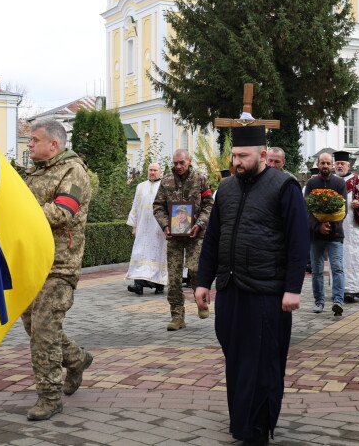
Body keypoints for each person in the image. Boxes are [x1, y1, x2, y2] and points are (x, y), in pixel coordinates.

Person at [195, 125, 309, 446]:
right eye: (234, 155)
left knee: (262, 360)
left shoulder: (284, 186)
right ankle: (241, 422)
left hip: (267, 292)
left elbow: (298, 240)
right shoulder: (227, 189)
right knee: (237, 357)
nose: (237, 161)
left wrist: (292, 288)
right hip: (231, 289)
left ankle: (259, 428)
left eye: (243, 156)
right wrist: (204, 282)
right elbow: (213, 239)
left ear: (262, 155)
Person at [22, 120, 94, 421]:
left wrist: (20, 217)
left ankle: (49, 397)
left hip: (60, 266)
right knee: (33, 326)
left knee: (43, 331)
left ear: (54, 144)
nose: (29, 145)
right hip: (31, 263)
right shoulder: (34, 173)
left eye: (34, 140)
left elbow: (63, 211)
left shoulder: (73, 171)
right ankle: (77, 359)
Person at [153, 149, 214, 331]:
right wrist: (165, 225)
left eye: (182, 163)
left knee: (195, 269)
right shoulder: (166, 181)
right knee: (174, 278)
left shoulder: (200, 179)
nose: (178, 166)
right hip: (174, 236)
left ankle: (199, 298)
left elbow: (209, 204)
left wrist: (200, 224)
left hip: (196, 234)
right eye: (175, 163)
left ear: (189, 161)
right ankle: (177, 316)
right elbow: (158, 206)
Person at [304, 153, 348, 316]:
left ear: (332, 165)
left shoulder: (339, 183)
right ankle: (319, 301)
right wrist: (318, 226)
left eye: (328, 163)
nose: (325, 165)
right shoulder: (311, 183)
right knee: (316, 270)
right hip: (316, 236)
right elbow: (307, 209)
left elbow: (344, 210)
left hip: (335, 234)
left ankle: (338, 300)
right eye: (322, 163)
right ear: (318, 164)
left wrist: (331, 225)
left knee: (337, 268)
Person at [333, 151, 359, 303]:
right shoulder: (330, 181)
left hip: (353, 226)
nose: (340, 165)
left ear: (349, 165)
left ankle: (355, 289)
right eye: (337, 163)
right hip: (336, 226)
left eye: (342, 163)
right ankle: (339, 289)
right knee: (337, 257)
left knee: (354, 257)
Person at [125, 162, 167, 295]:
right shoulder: (140, 187)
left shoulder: (165, 187)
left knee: (157, 255)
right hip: (143, 228)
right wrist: (134, 225)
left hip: (158, 229)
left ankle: (159, 284)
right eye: (150, 170)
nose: (152, 172)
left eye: (155, 170)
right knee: (139, 253)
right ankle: (138, 285)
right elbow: (135, 206)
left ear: (160, 172)